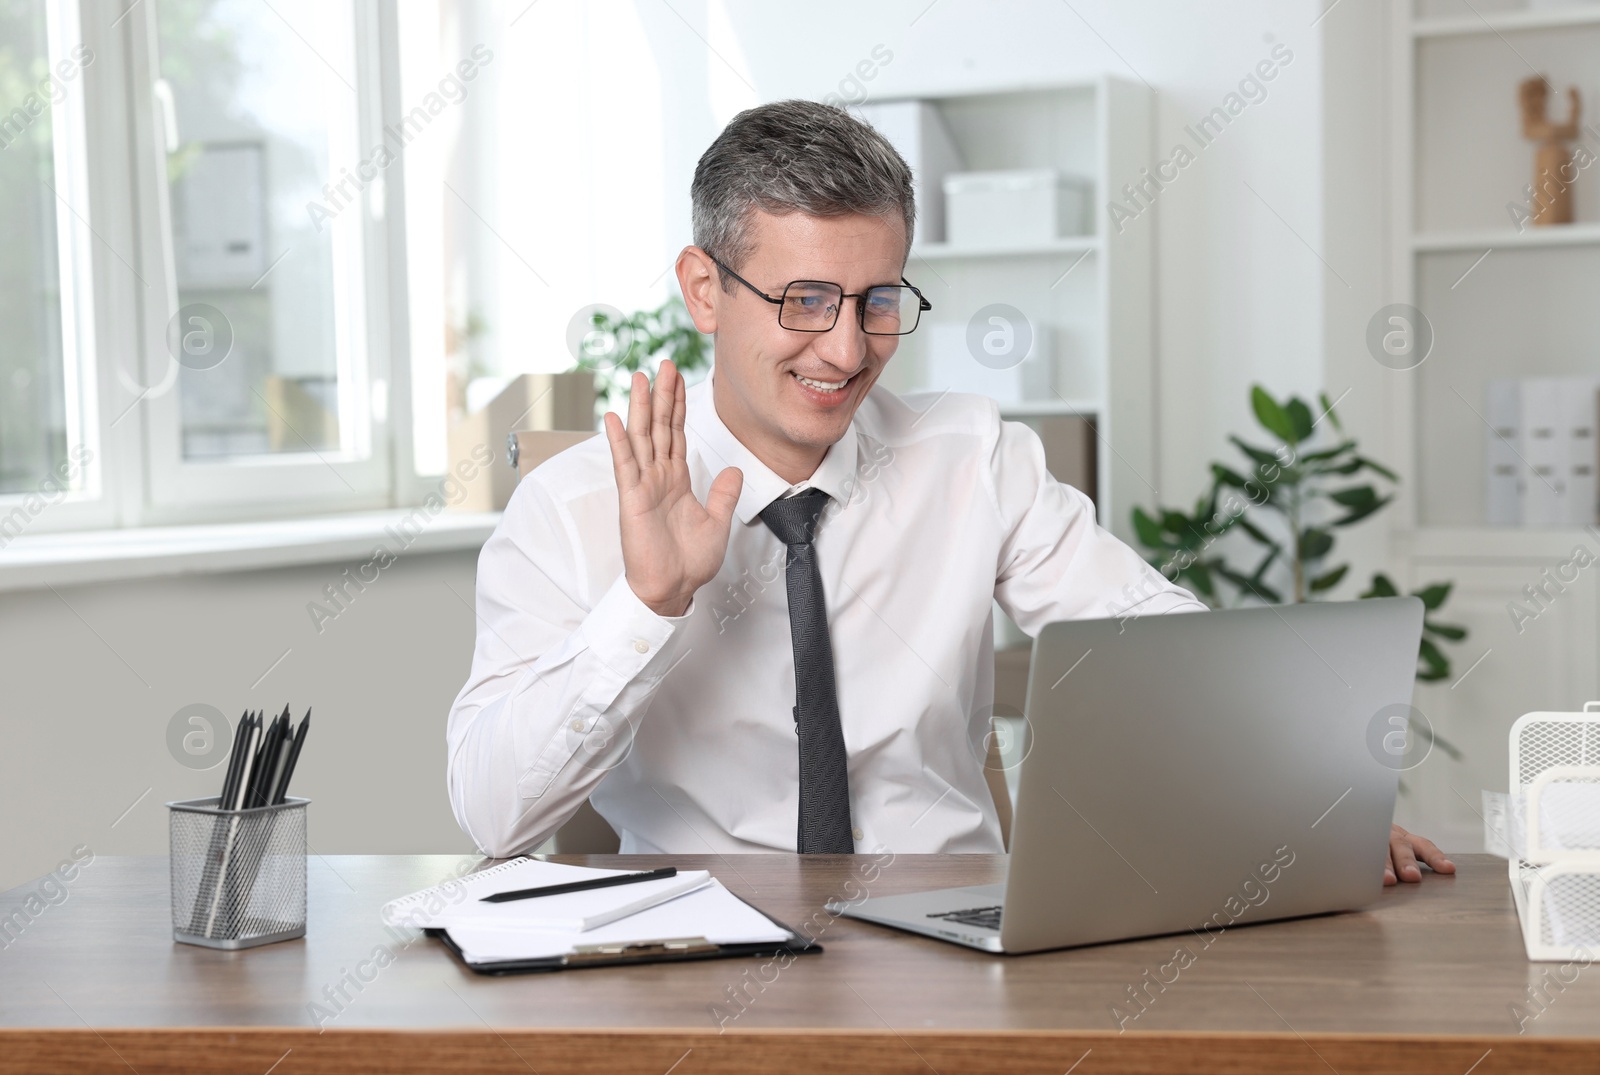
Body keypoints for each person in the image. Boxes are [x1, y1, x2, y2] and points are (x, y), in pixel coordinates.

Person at [446, 99, 1453, 887]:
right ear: (703, 288)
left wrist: (1300, 797)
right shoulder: (572, 505)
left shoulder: (970, 454)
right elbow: (493, 814)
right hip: (693, 949)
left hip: (944, 936)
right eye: (802, 301)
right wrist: (645, 605)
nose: (845, 350)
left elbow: (1149, 636)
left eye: (878, 300)